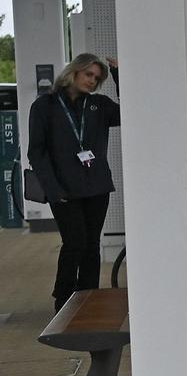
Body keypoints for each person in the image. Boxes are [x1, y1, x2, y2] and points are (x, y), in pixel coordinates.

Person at [28, 53, 122, 311]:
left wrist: (118, 75)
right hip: (63, 190)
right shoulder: (45, 106)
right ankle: (64, 298)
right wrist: (53, 190)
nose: (92, 81)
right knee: (75, 243)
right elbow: (36, 152)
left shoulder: (99, 106)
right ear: (74, 72)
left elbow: (131, 112)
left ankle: (88, 297)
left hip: (97, 188)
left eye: (97, 78)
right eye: (88, 74)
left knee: (92, 245)